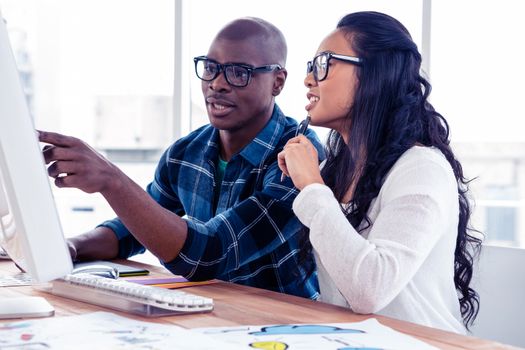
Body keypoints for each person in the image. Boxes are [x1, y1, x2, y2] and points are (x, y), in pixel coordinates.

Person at [39, 17, 324, 299]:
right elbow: (131, 230)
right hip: (214, 315)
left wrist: (111, 180)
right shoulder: (186, 153)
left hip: (286, 328)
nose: (217, 84)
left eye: (239, 72)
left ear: (277, 82)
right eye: (211, 68)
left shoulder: (298, 154)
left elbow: (209, 254)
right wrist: (69, 247)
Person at [277, 11, 482, 333]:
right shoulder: (336, 170)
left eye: (324, 63)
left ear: (375, 74)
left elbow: (369, 288)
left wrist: (312, 188)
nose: (308, 79)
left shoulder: (421, 168)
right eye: (310, 66)